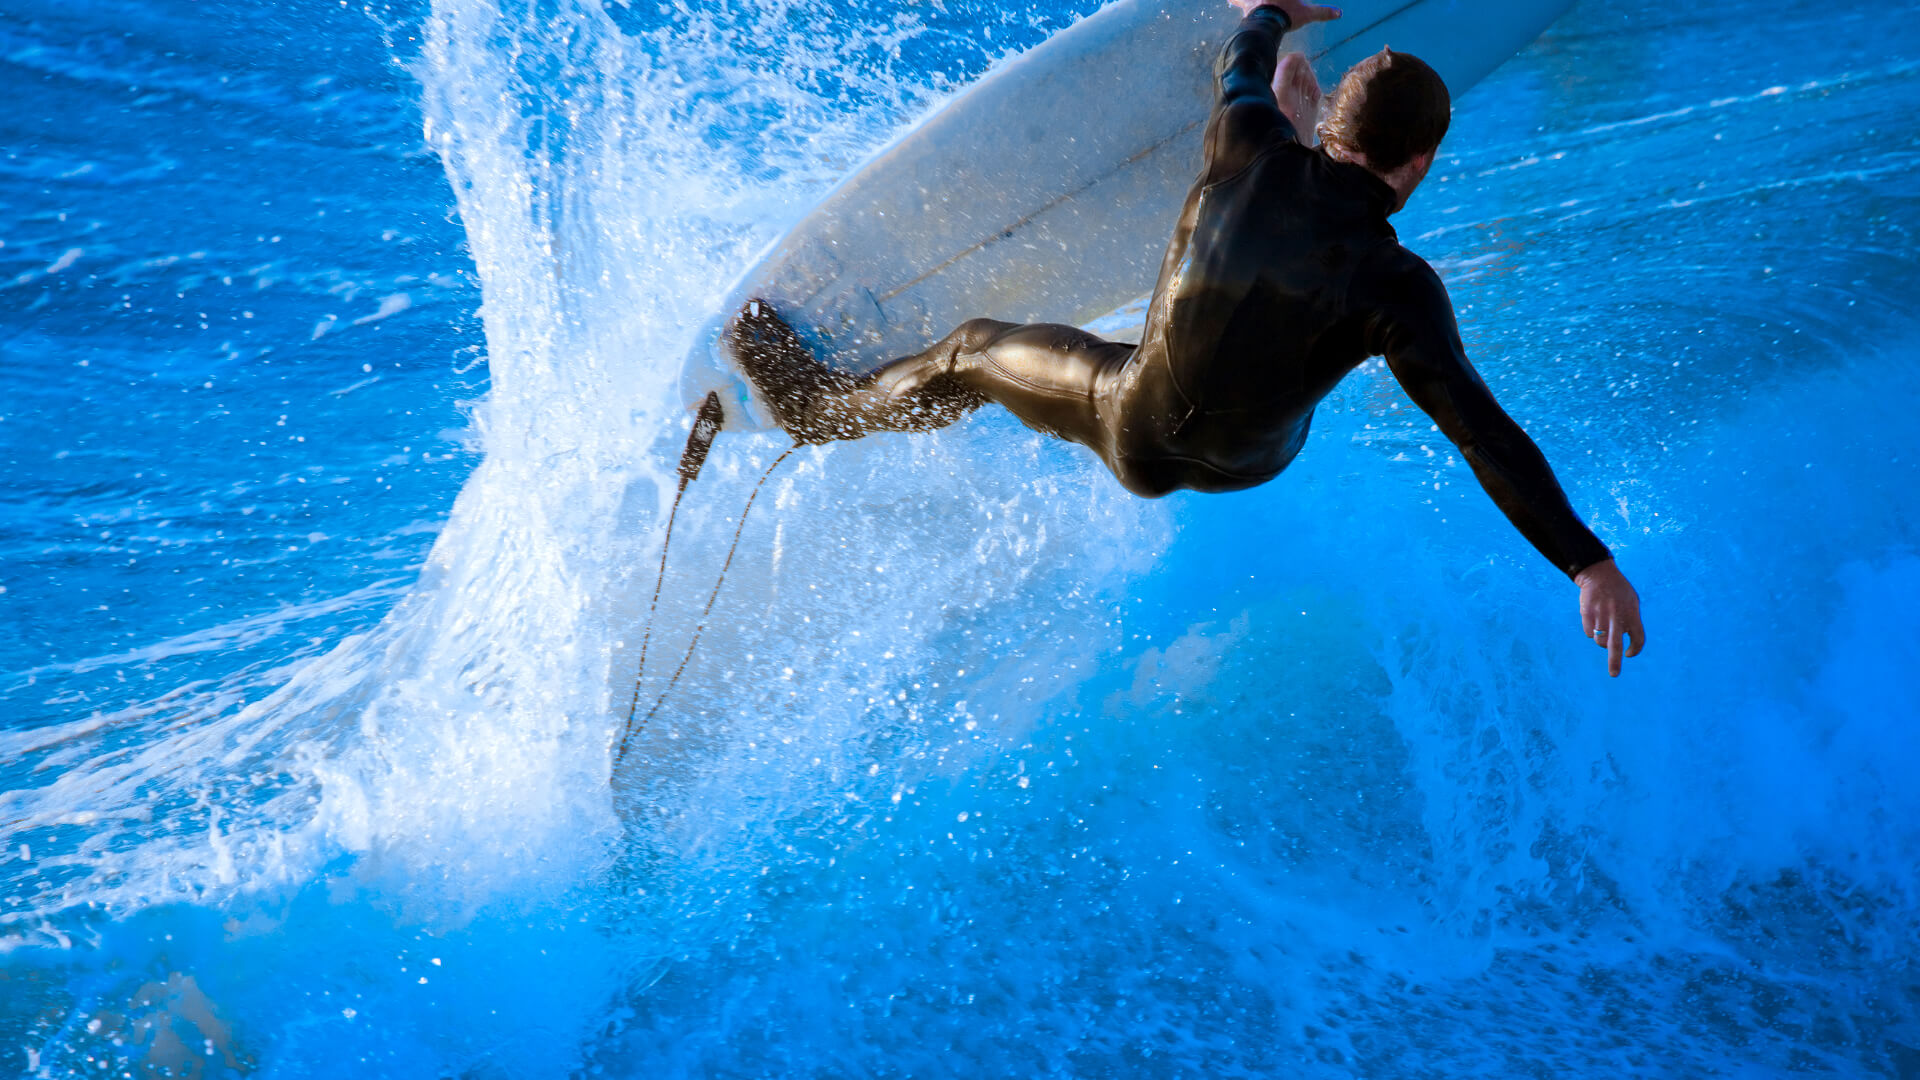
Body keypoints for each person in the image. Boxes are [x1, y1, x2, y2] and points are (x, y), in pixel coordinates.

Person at [723, 0, 1647, 676]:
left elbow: (1240, 62)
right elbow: (1482, 433)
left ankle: (816, 406)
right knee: (1293, 343)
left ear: (1327, 121)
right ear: (1420, 164)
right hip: (1250, 458)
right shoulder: (1401, 290)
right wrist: (1587, 562)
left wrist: (1270, 16)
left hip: (1133, 421)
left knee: (970, 351)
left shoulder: (1244, 144)